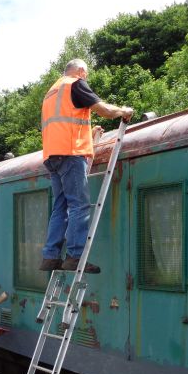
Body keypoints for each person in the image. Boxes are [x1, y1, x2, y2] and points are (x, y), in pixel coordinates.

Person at [39, 59, 133, 274]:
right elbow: (105, 111)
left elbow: (64, 124)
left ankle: (50, 257)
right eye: (86, 74)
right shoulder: (75, 83)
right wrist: (123, 110)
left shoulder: (51, 92)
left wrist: (89, 135)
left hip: (52, 156)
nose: (86, 78)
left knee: (60, 207)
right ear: (81, 71)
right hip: (71, 154)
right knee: (79, 205)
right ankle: (74, 256)